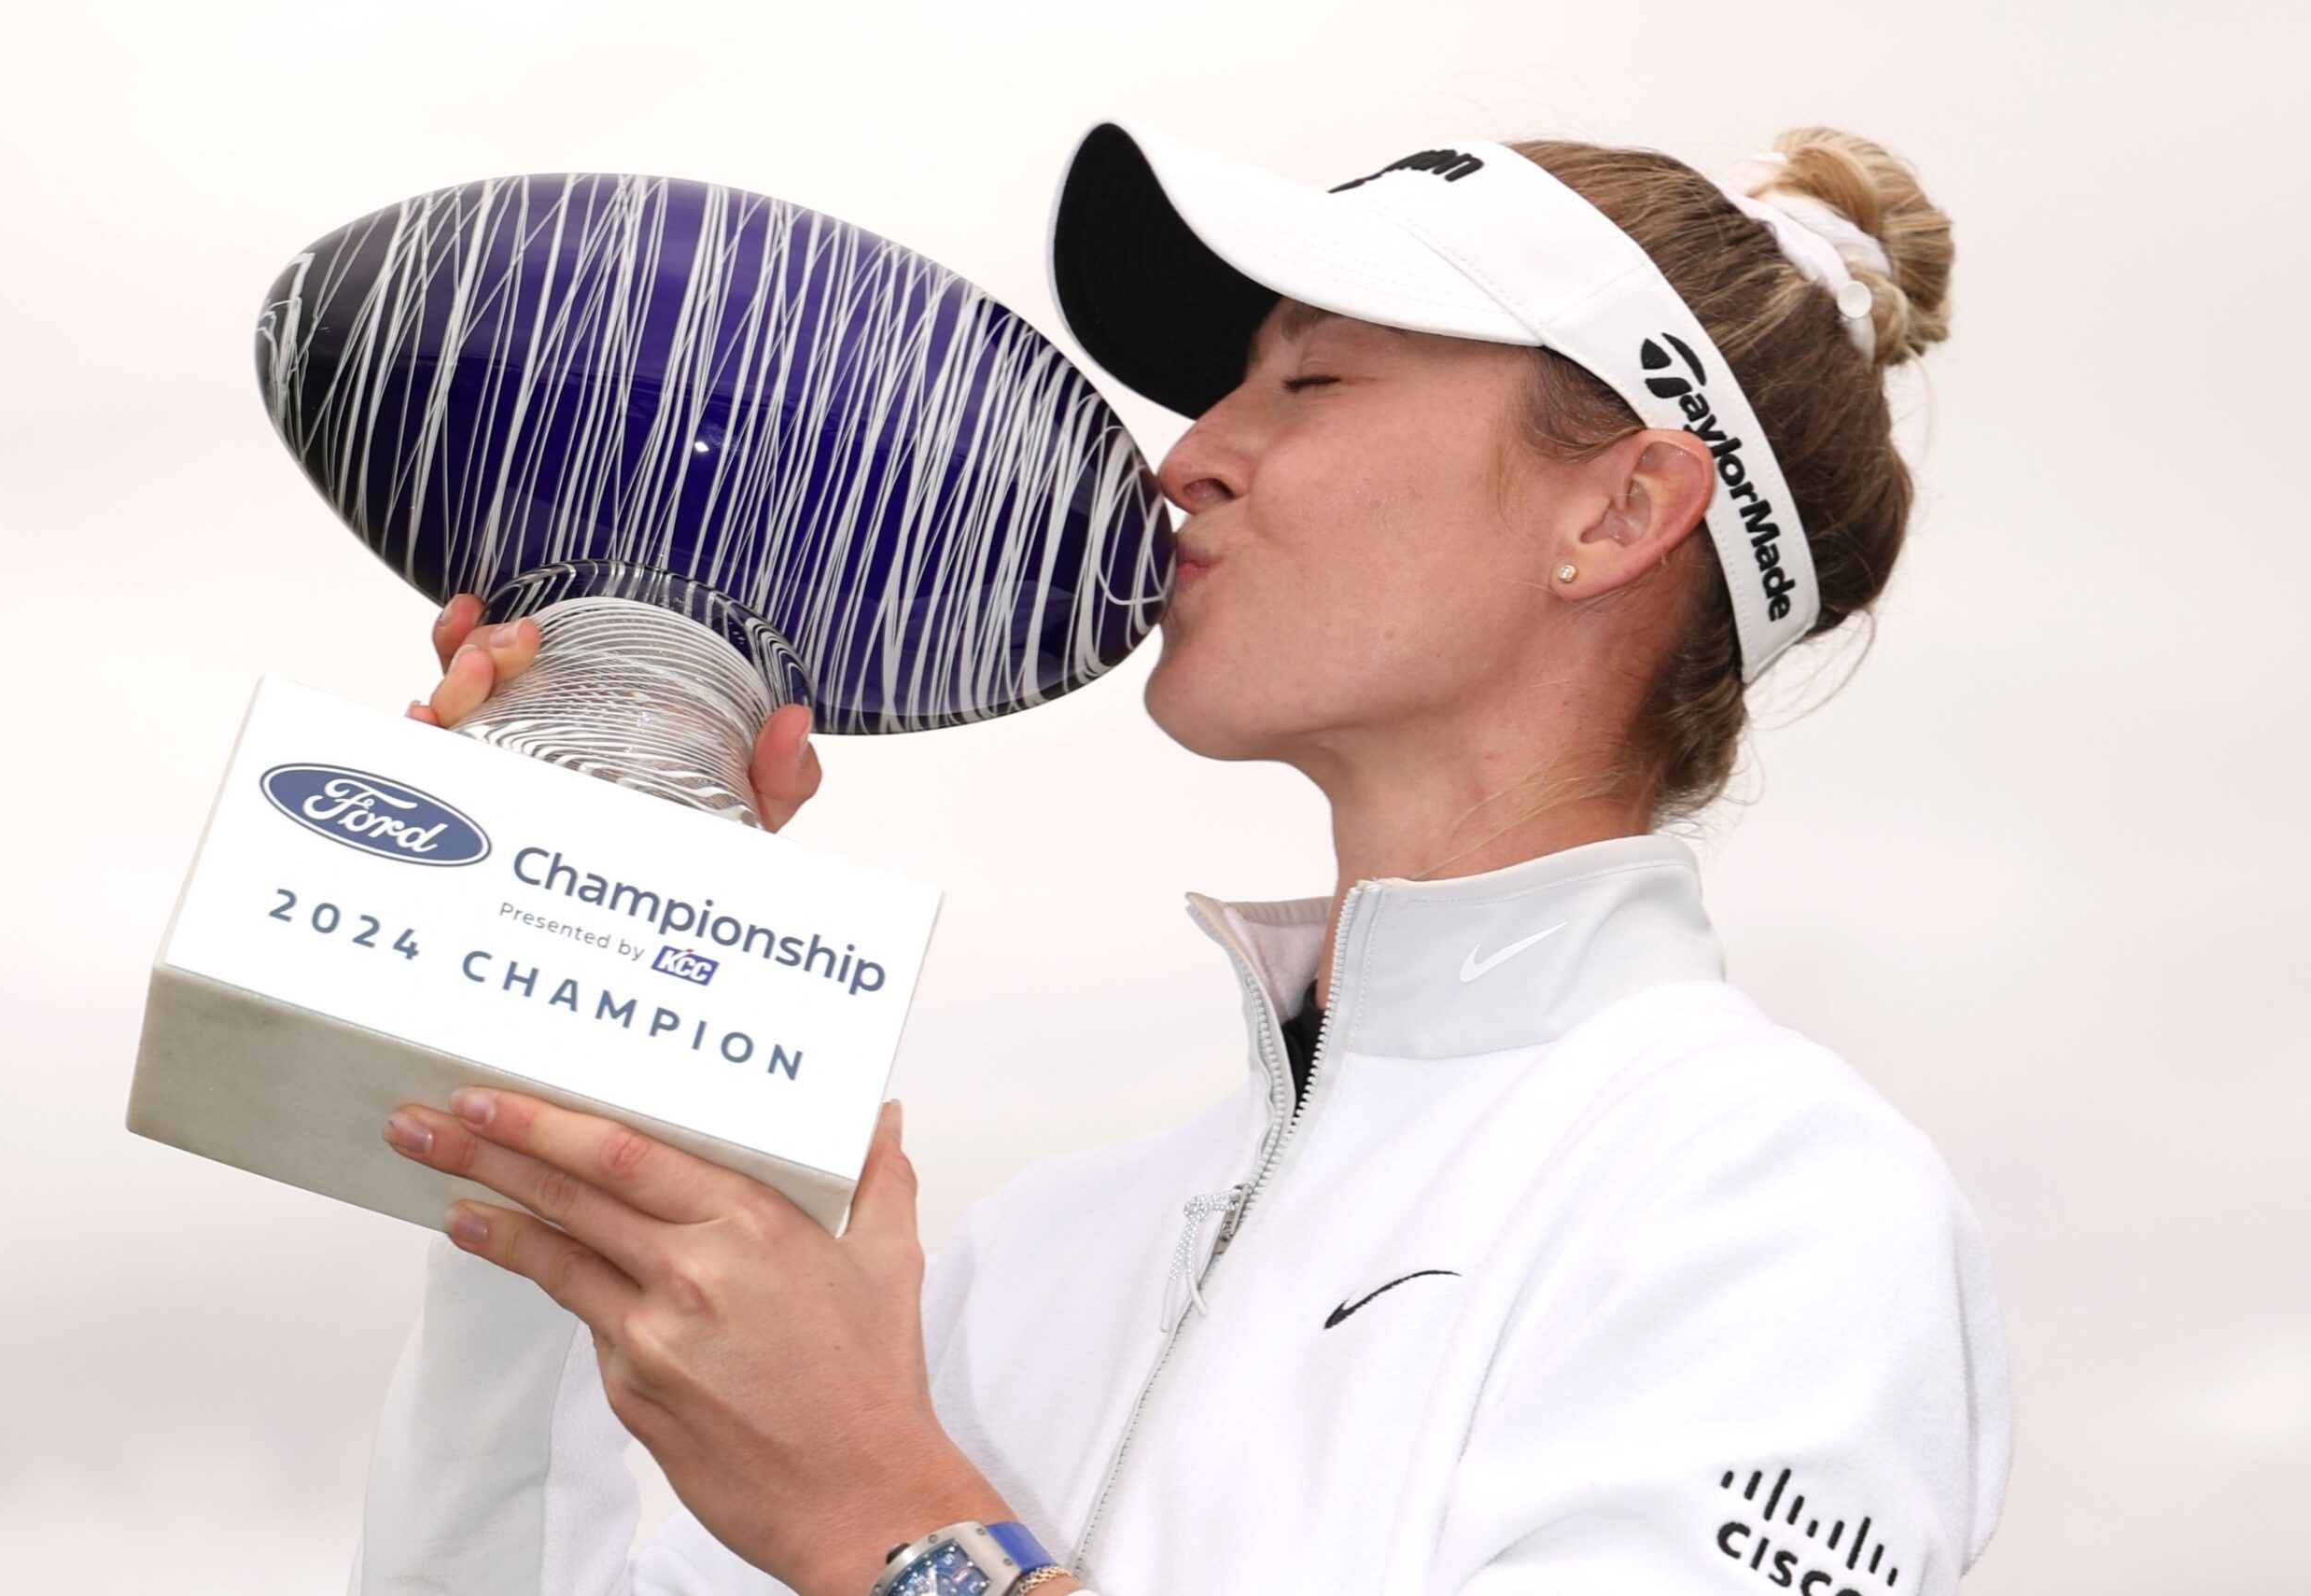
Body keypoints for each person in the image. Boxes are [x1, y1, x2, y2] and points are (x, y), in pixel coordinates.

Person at [352, 117, 2012, 1596]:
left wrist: (891, 1520)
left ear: (1619, 512)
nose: (1187, 455)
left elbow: (875, 1521)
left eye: (1311, 381)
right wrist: (579, 1010)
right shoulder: (1028, 1260)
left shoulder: (1777, 1208)